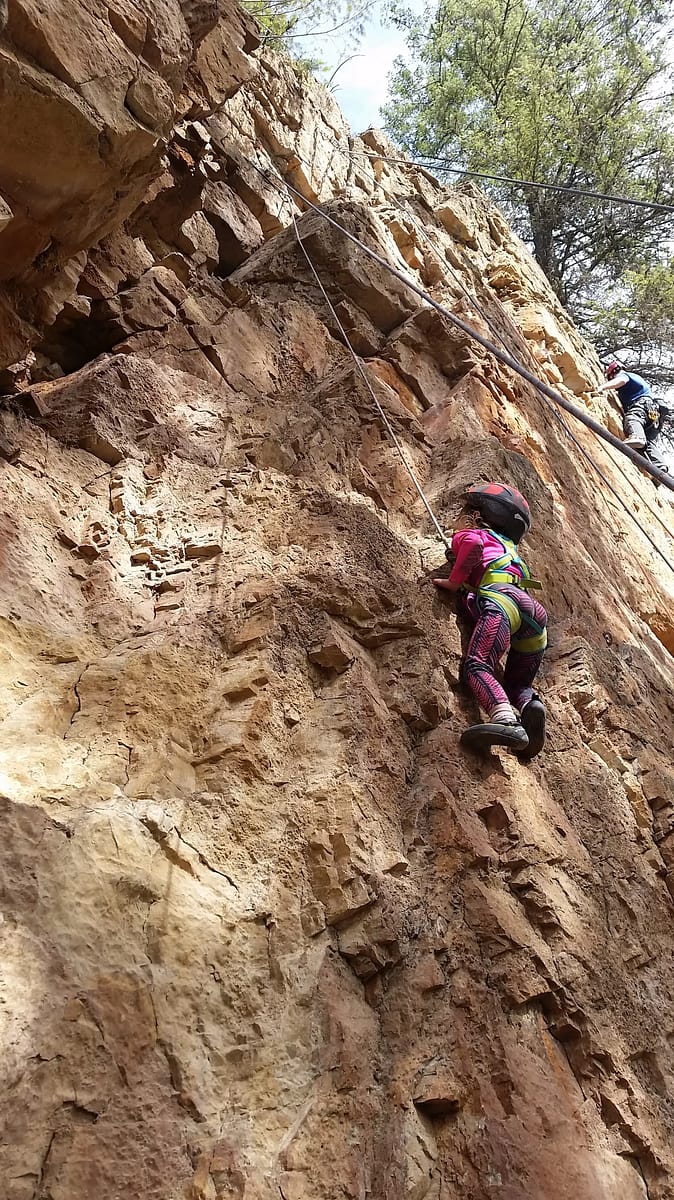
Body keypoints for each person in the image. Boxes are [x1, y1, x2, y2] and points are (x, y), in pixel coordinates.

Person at [434, 482, 548, 759]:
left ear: (474, 517)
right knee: (517, 684)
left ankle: (507, 722)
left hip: (502, 602)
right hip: (531, 613)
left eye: (459, 516)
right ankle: (528, 704)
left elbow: (471, 545)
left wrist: (453, 582)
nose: (454, 524)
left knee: (477, 665)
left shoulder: (473, 534)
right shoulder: (507, 547)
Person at [598, 360, 669, 474]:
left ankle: (637, 436)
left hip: (642, 405)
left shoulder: (625, 375)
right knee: (649, 441)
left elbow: (621, 380)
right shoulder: (636, 380)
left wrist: (602, 387)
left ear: (612, 374)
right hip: (654, 413)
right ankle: (660, 467)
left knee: (633, 417)